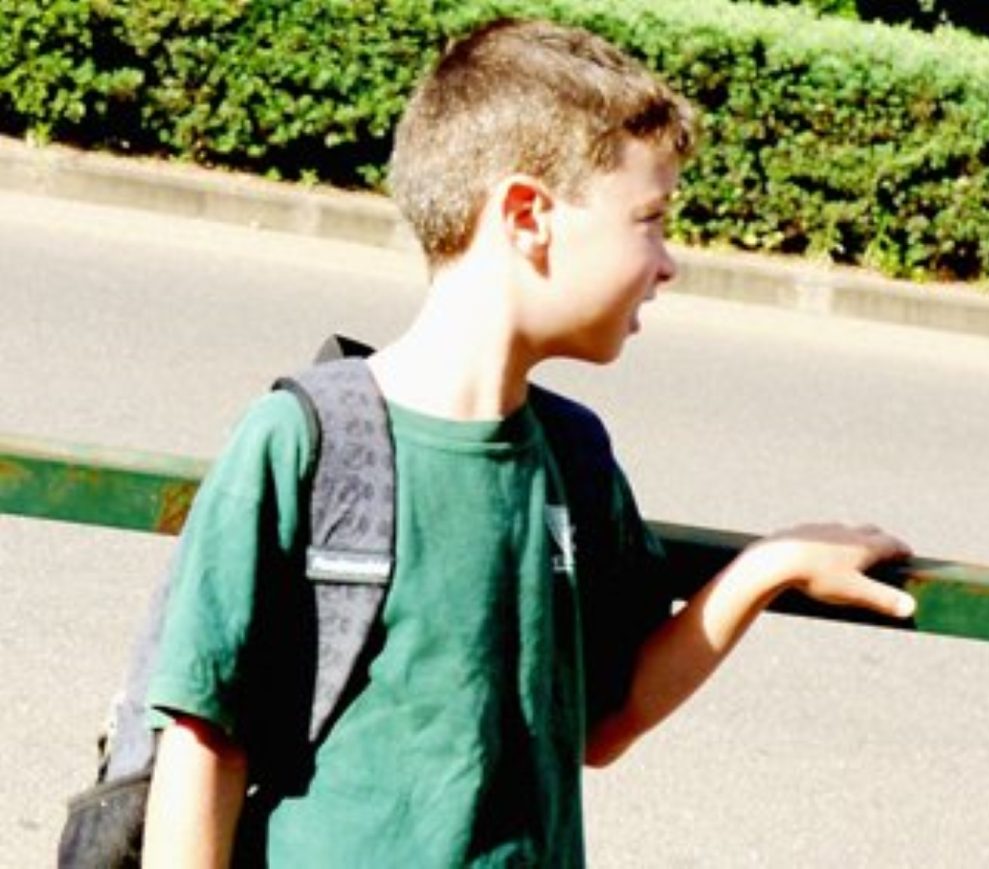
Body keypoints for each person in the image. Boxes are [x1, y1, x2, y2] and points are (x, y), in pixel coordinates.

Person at [142, 17, 915, 868]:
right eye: (650, 219)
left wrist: (764, 570)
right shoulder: (306, 441)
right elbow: (203, 742)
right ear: (527, 216)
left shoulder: (575, 455)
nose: (668, 263)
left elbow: (604, 720)